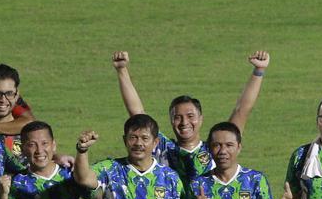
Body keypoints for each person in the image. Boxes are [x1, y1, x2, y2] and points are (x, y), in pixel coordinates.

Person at [111, 49, 270, 188]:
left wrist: (259, 71)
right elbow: (137, 113)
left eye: (190, 116)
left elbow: (242, 110)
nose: (184, 122)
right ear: (171, 120)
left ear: (201, 119)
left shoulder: (214, 148)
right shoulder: (162, 148)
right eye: (177, 117)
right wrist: (122, 70)